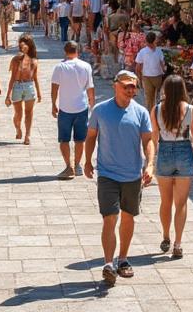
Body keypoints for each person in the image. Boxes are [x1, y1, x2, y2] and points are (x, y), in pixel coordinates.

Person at [84, 70, 155, 287]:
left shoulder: (141, 112)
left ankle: (123, 259)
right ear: (116, 86)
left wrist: (150, 163)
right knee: (110, 217)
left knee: (127, 217)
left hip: (132, 175)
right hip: (107, 174)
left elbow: (148, 141)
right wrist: (87, 161)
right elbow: (91, 137)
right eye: (126, 85)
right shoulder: (100, 110)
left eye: (133, 86)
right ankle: (108, 264)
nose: (130, 89)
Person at [152, 75, 193, 260]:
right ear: (183, 89)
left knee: (165, 201)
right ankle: (178, 243)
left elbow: (154, 137)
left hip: (165, 151)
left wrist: (151, 162)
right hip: (184, 153)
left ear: (165, 90)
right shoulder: (191, 110)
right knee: (180, 203)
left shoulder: (157, 109)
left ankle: (166, 236)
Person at [52, 40, 96, 179]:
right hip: (81, 107)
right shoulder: (86, 66)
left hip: (65, 108)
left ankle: (68, 166)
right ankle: (77, 165)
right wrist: (92, 103)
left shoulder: (60, 67)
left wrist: (53, 103)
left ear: (65, 51)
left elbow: (55, 87)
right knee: (80, 139)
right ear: (78, 51)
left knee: (64, 140)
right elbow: (90, 87)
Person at [7, 34, 41, 145]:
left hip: (29, 86)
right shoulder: (16, 60)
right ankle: (18, 128)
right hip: (17, 85)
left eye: (26, 43)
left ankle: (27, 135)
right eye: (22, 43)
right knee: (18, 113)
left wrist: (39, 93)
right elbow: (12, 77)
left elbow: (35, 78)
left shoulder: (34, 61)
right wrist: (8, 95)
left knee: (29, 113)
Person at [134, 31, 165, 108]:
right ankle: (153, 113)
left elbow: (138, 66)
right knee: (153, 97)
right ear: (154, 41)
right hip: (152, 77)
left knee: (151, 97)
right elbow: (162, 64)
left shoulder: (144, 51)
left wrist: (139, 78)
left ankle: (153, 112)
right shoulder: (157, 51)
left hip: (149, 77)